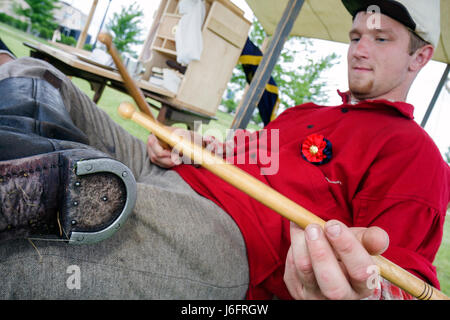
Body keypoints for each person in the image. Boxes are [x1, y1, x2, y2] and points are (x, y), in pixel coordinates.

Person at [0, 0, 448, 300]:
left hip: (227, 230)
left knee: (22, 259)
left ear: (420, 57)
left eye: (381, 39)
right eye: (355, 38)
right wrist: (198, 146)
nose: (359, 50)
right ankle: (39, 177)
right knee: (35, 72)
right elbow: (247, 153)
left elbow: (401, 280)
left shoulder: (415, 152)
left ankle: (43, 178)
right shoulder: (306, 111)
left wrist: (369, 289)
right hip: (173, 170)